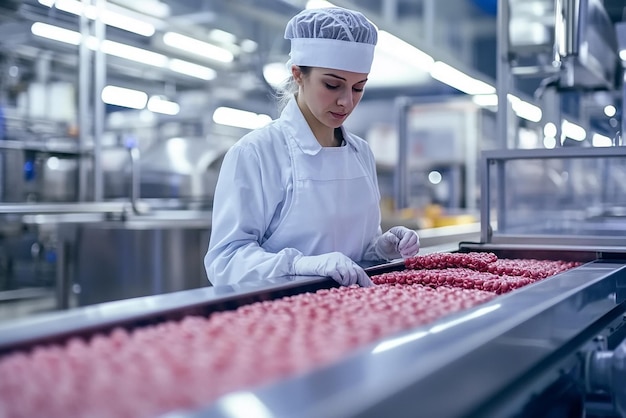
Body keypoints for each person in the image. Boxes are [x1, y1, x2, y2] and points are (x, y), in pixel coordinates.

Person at [204, 6, 419, 288]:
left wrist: (380, 249)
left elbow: (357, 254)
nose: (346, 101)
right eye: (332, 85)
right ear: (298, 74)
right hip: (281, 318)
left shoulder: (360, 153)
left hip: (357, 314)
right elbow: (226, 261)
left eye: (358, 87)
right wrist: (301, 266)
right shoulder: (256, 153)